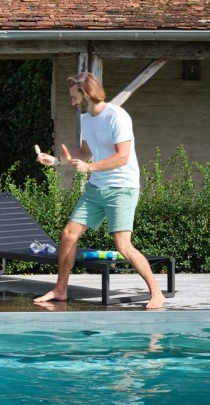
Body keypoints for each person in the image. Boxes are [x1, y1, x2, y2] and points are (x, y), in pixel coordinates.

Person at [33, 72, 165, 310]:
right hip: (97, 186)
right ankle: (60, 290)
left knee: (123, 245)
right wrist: (56, 161)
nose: (73, 101)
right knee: (68, 235)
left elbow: (122, 157)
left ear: (87, 94)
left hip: (122, 187)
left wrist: (89, 167)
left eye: (75, 97)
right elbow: (85, 152)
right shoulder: (86, 119)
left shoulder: (117, 116)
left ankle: (156, 292)